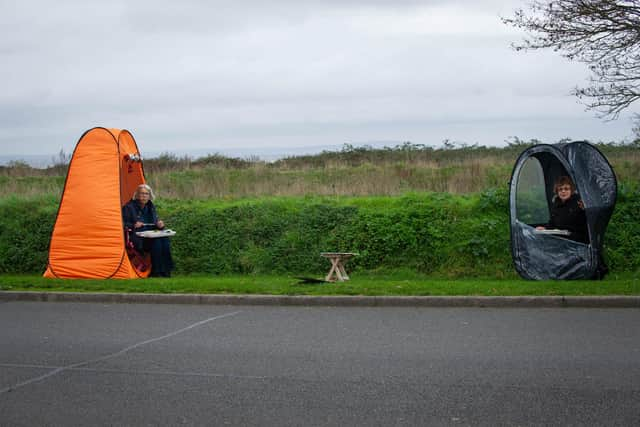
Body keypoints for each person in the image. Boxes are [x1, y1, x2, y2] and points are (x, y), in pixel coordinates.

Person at [122, 184, 174, 277]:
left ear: (149, 196)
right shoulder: (128, 207)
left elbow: (155, 222)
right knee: (157, 242)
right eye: (141, 193)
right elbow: (122, 224)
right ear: (136, 195)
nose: (144, 196)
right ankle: (156, 271)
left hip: (151, 235)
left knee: (165, 240)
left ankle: (166, 271)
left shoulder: (151, 206)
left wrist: (160, 225)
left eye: (146, 194)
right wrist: (134, 225)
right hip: (137, 238)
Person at [536, 176, 588, 243]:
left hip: (575, 241)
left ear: (571, 190)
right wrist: (545, 228)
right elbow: (552, 223)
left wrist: (584, 210)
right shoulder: (556, 204)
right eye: (560, 189)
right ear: (557, 192)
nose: (563, 191)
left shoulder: (579, 203)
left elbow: (584, 225)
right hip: (559, 238)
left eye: (566, 189)